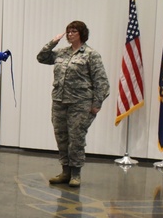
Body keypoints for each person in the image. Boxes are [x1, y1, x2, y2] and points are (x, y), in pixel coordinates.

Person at [36, 20, 109, 188]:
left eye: (74, 31)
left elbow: (101, 81)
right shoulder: (61, 53)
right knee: (61, 137)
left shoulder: (91, 54)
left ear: (82, 34)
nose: (70, 34)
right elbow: (41, 57)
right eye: (68, 31)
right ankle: (65, 171)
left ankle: (76, 173)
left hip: (80, 103)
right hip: (60, 101)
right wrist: (53, 42)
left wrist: (97, 103)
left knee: (76, 138)